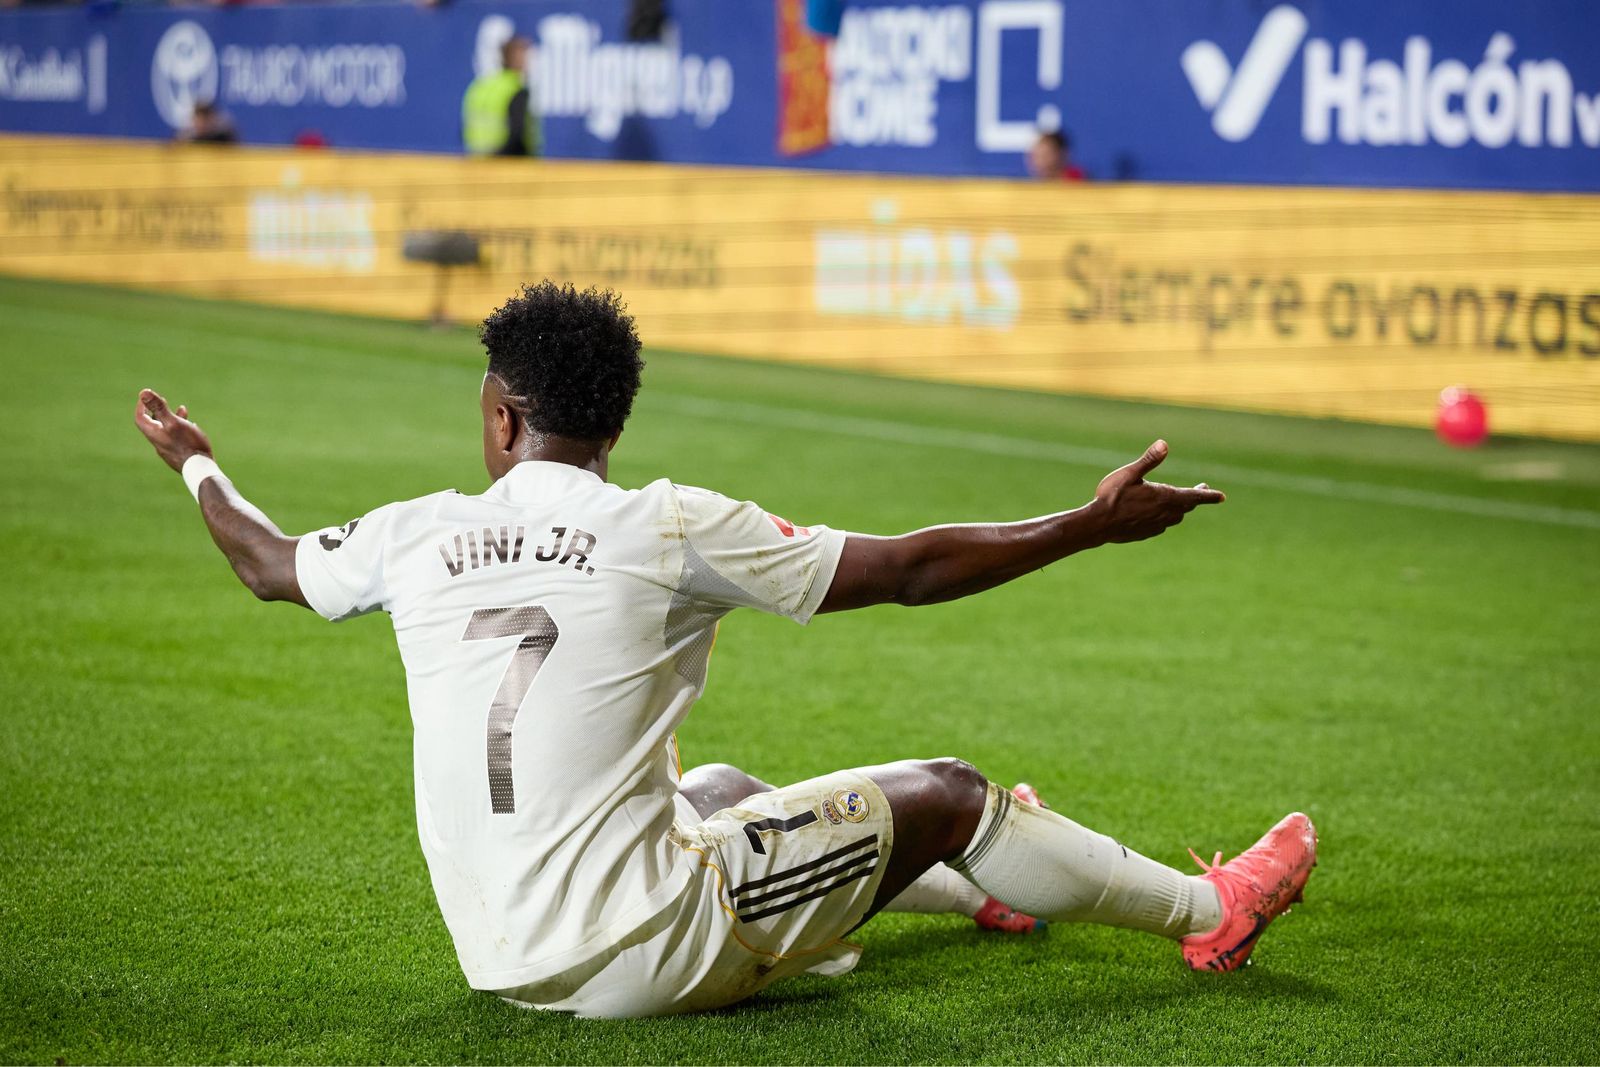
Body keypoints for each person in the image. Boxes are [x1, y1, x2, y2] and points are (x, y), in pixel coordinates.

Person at [133, 281, 1316, 1019]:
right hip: (633, 951)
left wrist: (194, 456)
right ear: (614, 420)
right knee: (952, 792)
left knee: (716, 789)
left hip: (499, 955)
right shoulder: (665, 523)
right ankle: (1207, 908)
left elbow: (266, 560)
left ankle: (982, 901)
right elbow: (906, 569)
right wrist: (1088, 524)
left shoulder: (413, 530)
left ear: (501, 414)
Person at [462, 35, 540, 158]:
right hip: (508, 166)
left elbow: (464, 129)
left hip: (476, 162)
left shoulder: (480, 86)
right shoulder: (515, 89)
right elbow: (517, 134)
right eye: (526, 57)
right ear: (516, 59)